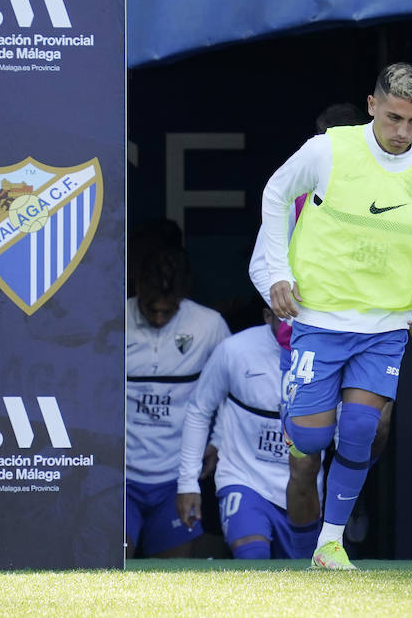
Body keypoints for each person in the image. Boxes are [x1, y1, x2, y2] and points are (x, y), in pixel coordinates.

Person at [261, 62, 412, 570]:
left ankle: (330, 544)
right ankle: (298, 426)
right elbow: (276, 193)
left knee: (361, 432)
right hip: (319, 315)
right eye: (393, 118)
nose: (403, 133)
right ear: (373, 104)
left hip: (385, 323)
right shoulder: (329, 149)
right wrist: (277, 272)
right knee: (309, 439)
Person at [249, 101, 368, 530]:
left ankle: (340, 527)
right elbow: (260, 266)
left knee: (370, 432)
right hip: (305, 341)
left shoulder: (388, 194)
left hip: (368, 336)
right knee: (304, 465)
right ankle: (308, 562)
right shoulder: (294, 195)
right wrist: (293, 308)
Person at [176, 305, 320, 559]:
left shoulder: (329, 354)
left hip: (304, 491)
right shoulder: (235, 350)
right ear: (267, 315)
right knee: (252, 559)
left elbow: (342, 434)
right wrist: (188, 483)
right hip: (245, 480)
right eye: (287, 317)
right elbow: (200, 409)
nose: (295, 325)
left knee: (300, 585)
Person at [125, 244, 231, 558]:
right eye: (150, 309)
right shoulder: (112, 321)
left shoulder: (209, 325)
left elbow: (230, 388)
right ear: (137, 291)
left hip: (176, 475)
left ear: (181, 298)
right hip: (120, 475)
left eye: (167, 310)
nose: (158, 318)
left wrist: (219, 441)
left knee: (173, 579)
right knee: (111, 569)